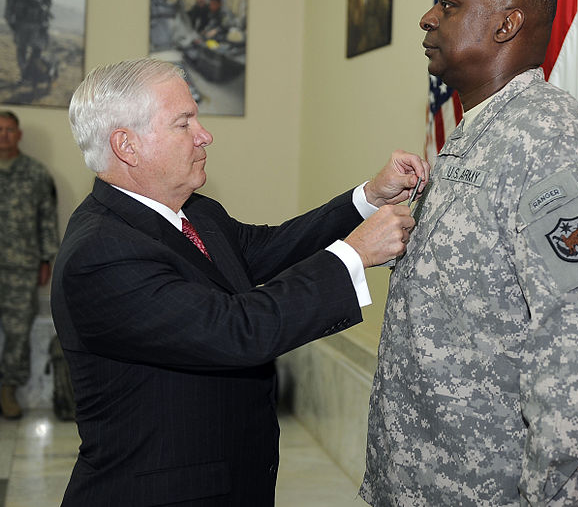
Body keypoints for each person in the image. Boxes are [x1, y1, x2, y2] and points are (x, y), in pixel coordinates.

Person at [51, 58, 428, 506]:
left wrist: (367, 198)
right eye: (183, 122)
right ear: (127, 146)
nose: (204, 134)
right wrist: (355, 253)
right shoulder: (100, 252)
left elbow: (271, 247)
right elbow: (235, 331)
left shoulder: (196, 211)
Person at [360, 0, 578, 507]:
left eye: (449, 5)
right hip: (420, 480)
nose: (428, 18)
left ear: (508, 24)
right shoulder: (477, 134)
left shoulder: (551, 142)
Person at [0, 110, 59, 419]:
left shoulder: (36, 173)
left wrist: (47, 259)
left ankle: (8, 390)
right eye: (0, 130)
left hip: (21, 267)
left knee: (18, 332)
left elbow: (47, 218)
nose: (5, 135)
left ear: (19, 135)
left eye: (10, 130)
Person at [4, 0, 53, 83]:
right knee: (21, 51)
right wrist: (12, 23)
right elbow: (8, 8)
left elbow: (48, 2)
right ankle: (24, 75)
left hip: (36, 27)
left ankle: (31, 74)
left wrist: (44, 16)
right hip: (21, 27)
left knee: (37, 50)